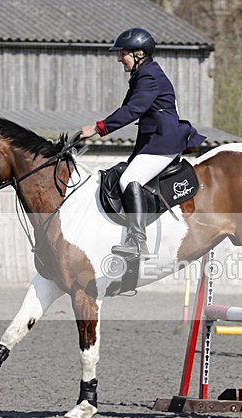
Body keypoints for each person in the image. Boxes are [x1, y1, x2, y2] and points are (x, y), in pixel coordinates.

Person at [81, 27, 206, 257]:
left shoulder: (149, 76)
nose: (119, 58)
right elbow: (126, 108)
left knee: (130, 179)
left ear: (138, 53)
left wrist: (99, 128)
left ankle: (139, 242)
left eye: (123, 54)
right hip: (153, 141)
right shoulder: (142, 74)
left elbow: (133, 110)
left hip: (163, 142)